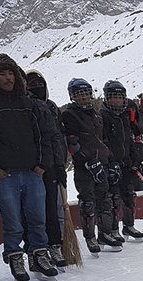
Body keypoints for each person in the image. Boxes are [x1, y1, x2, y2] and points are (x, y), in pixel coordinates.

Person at [0, 54, 58, 281]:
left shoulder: (31, 105)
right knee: (13, 222)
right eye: (2, 74)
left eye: (10, 73)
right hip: (5, 175)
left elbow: (46, 136)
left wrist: (42, 164)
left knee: (38, 218)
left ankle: (39, 254)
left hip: (32, 172)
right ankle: (15, 257)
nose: (7, 78)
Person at [60, 78, 116, 255]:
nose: (83, 97)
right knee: (88, 202)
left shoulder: (97, 114)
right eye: (79, 95)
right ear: (72, 97)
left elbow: (104, 140)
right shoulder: (69, 115)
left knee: (105, 199)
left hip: (102, 163)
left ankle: (105, 233)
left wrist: (111, 160)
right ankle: (90, 237)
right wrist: (88, 161)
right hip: (84, 168)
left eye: (85, 94)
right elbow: (72, 143)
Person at [24, 70, 70, 270]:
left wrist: (60, 165)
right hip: (34, 167)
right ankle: (35, 251)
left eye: (39, 84)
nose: (36, 88)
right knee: (34, 212)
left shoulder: (52, 107)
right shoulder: (26, 107)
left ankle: (55, 245)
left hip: (53, 165)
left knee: (53, 209)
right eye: (31, 84)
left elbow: (57, 138)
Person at [100, 80, 140, 243]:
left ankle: (128, 225)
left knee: (129, 195)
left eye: (120, 97)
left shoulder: (125, 115)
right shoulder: (103, 116)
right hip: (111, 165)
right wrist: (110, 162)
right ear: (107, 98)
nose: (117, 101)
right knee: (114, 198)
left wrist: (135, 159)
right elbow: (103, 142)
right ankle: (113, 229)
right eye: (113, 97)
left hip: (126, 163)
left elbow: (129, 140)